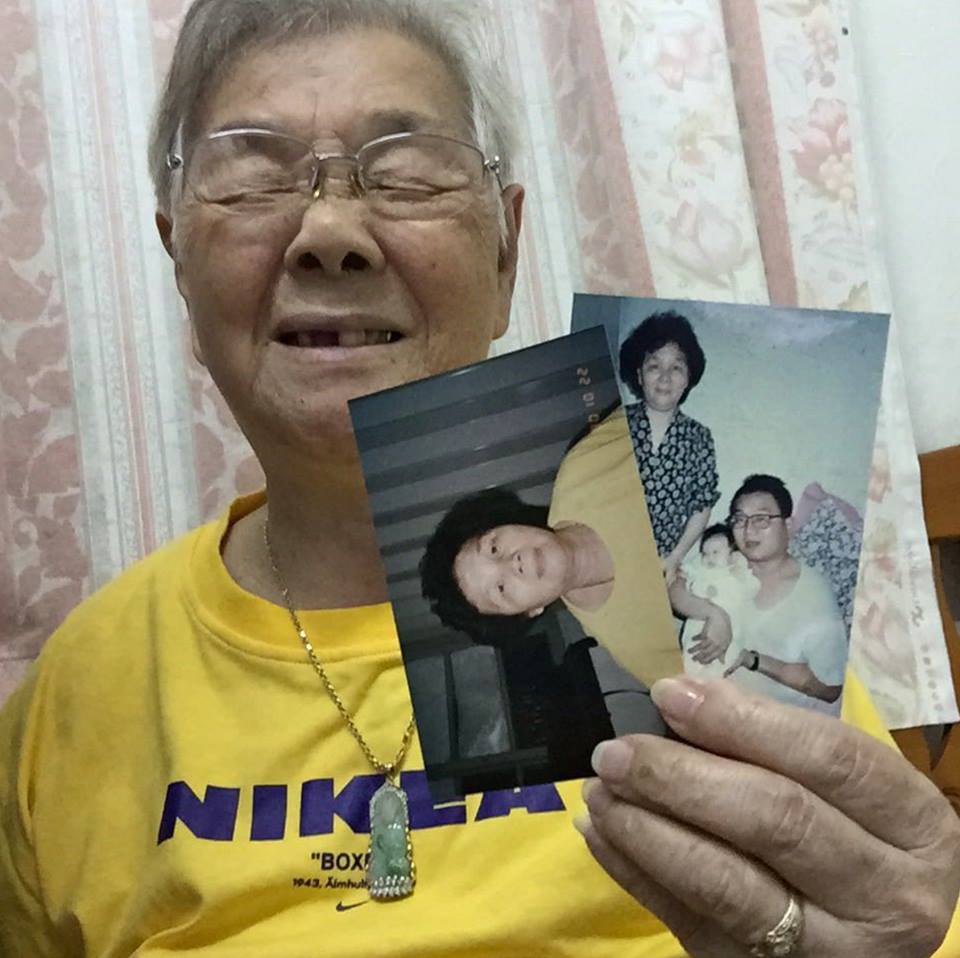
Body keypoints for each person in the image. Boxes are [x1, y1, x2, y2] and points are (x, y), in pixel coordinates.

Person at [1, 1, 958, 956]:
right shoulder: (76, 701)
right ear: (179, 263)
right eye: (253, 178)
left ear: (505, 254)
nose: (329, 230)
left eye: (407, 174)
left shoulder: (707, 647)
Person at [420, 406, 681, 689]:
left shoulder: (588, 466)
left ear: (505, 521)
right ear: (530, 611)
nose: (512, 563)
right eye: (501, 589)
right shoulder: (636, 646)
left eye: (493, 548)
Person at [720, 474, 846, 715]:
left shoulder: (814, 597)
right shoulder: (725, 567)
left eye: (761, 519)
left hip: (785, 722)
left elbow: (830, 689)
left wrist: (751, 660)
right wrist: (712, 614)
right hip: (726, 711)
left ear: (788, 526)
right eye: (740, 519)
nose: (748, 530)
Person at [619, 310, 720, 584]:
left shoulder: (699, 438)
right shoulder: (615, 425)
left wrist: (674, 558)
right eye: (654, 366)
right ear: (639, 375)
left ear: (687, 378)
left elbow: (702, 506)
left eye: (676, 367)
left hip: (661, 564)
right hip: (608, 552)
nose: (665, 378)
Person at [680, 523, 759, 681]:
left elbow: (753, 588)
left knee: (723, 664)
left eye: (716, 552)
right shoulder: (700, 568)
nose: (709, 557)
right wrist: (685, 572)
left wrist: (740, 571)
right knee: (691, 659)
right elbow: (685, 571)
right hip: (698, 626)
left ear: (733, 554)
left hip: (729, 630)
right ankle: (689, 680)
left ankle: (713, 683)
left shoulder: (737, 572)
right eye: (705, 553)